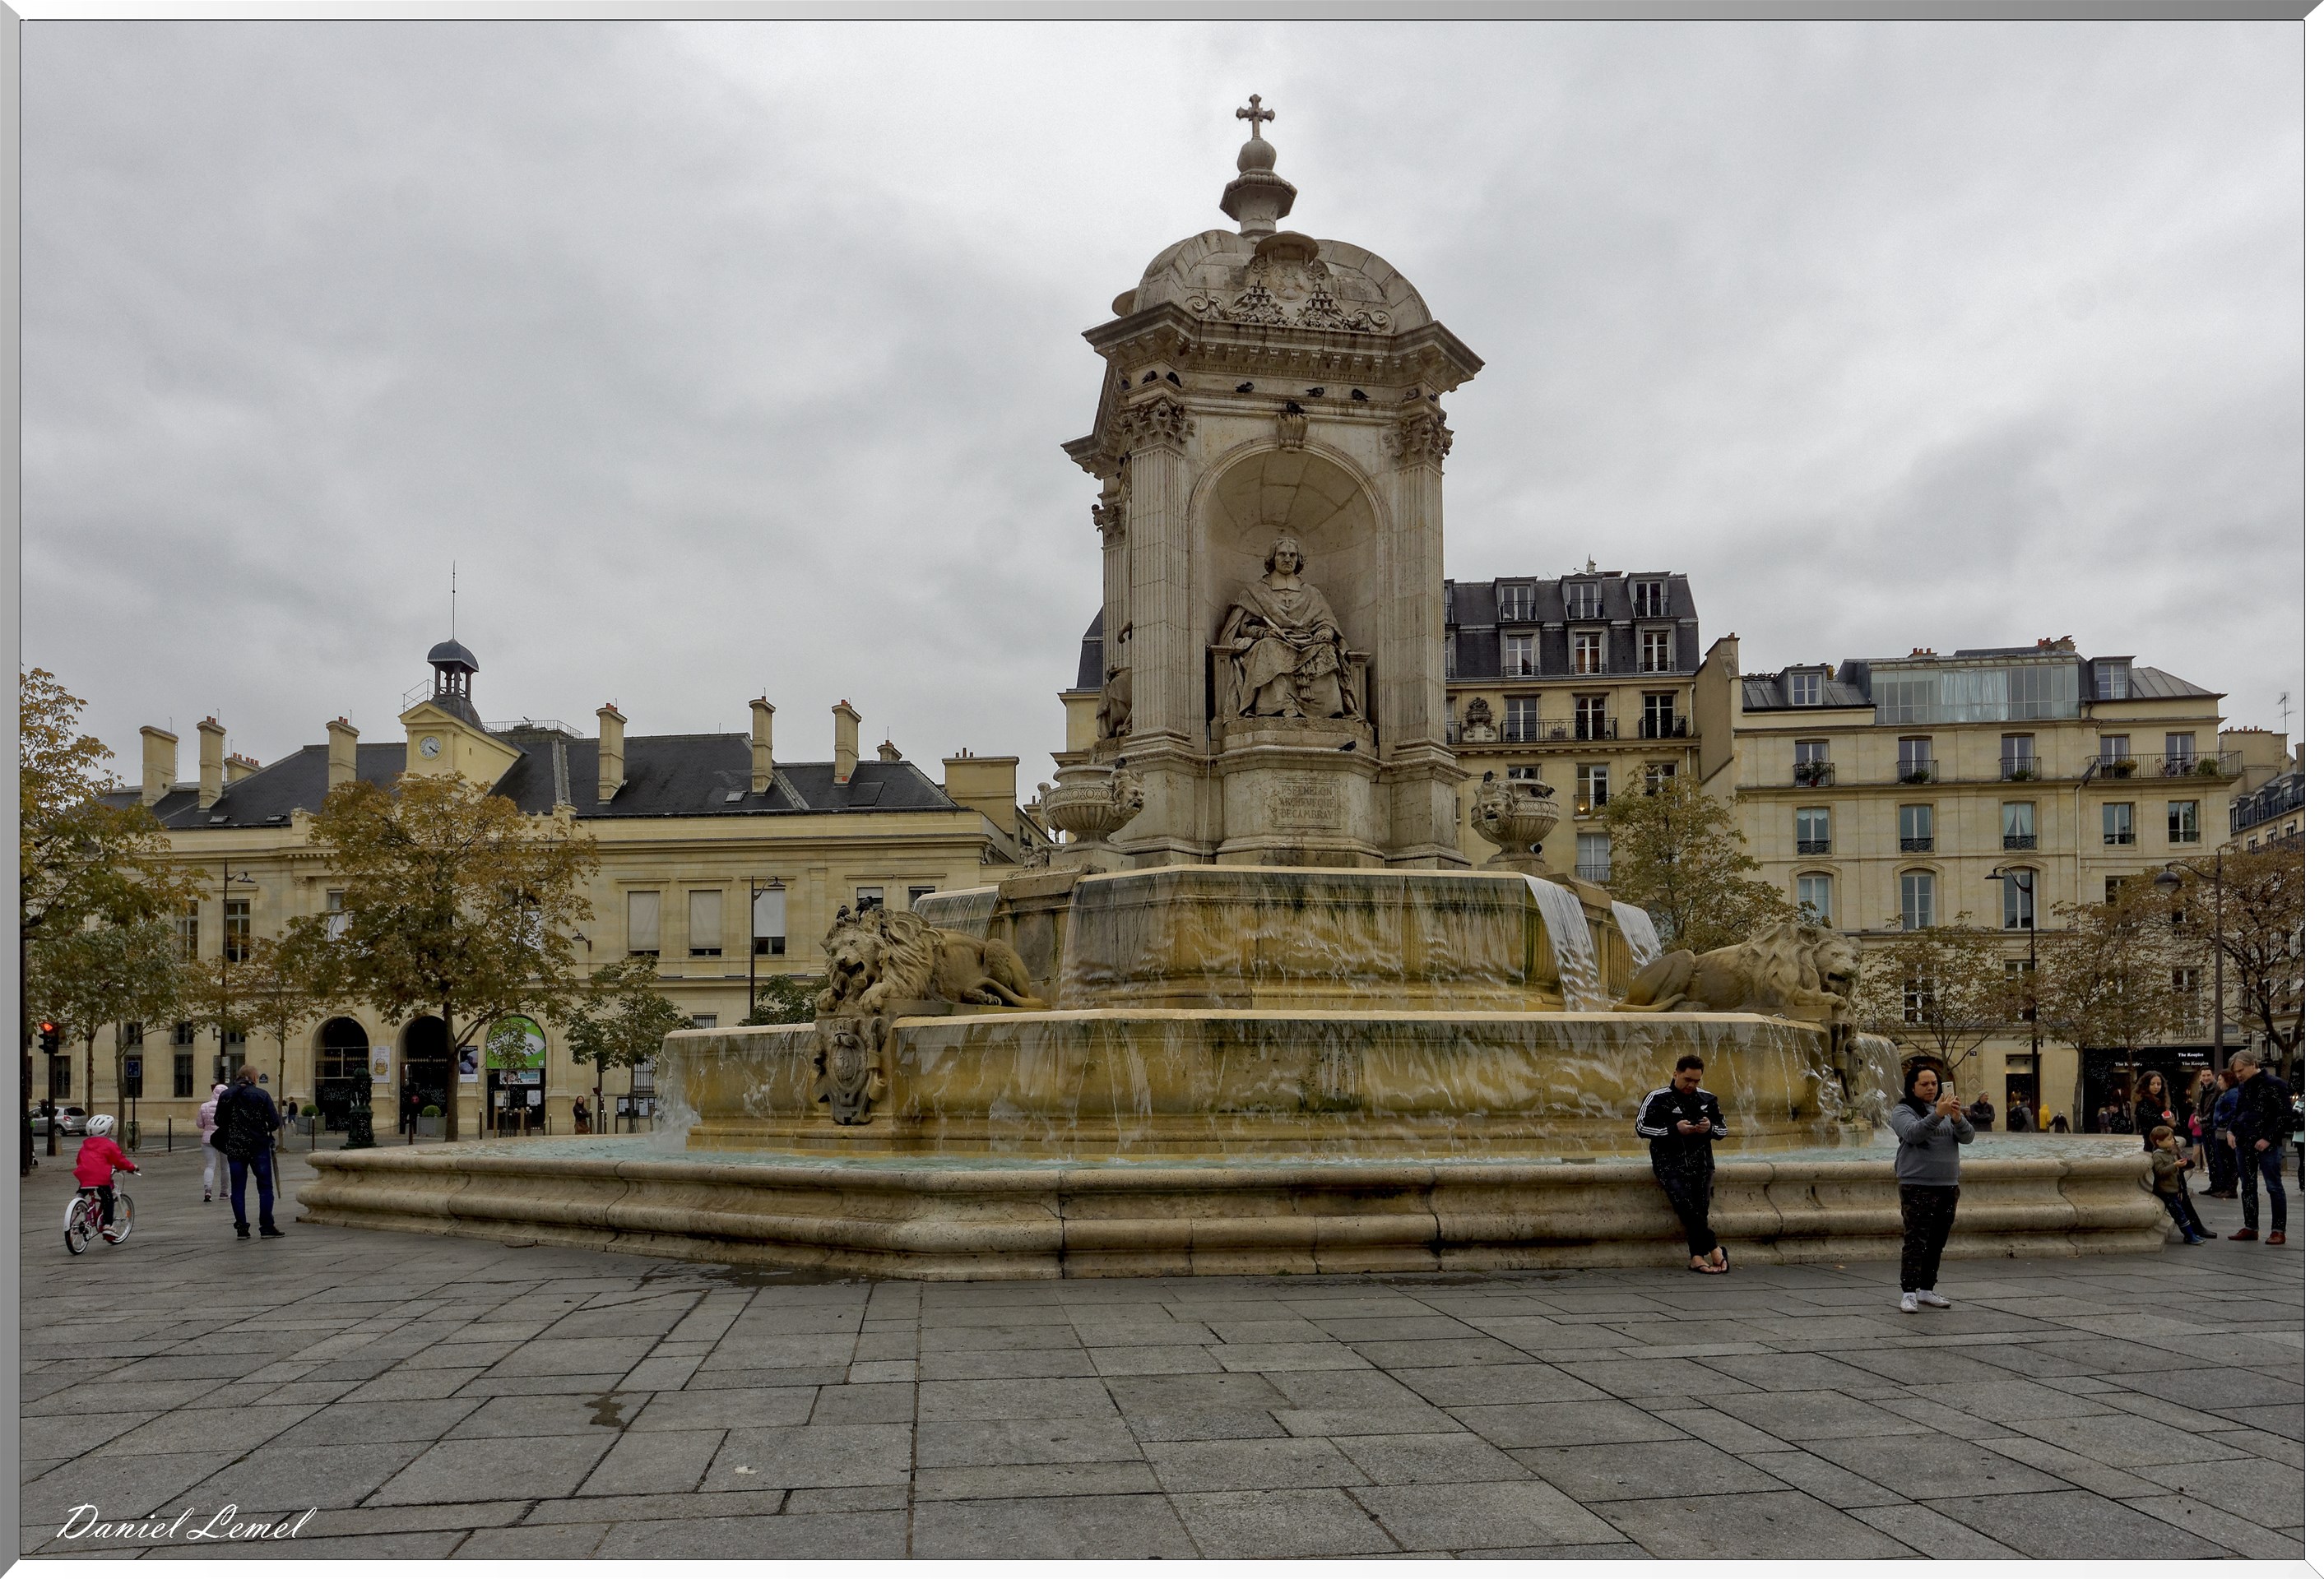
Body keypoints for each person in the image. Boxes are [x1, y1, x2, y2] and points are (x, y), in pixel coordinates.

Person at [1635, 1052, 1729, 1274]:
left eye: (1696, 1081)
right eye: (1687, 1079)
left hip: (1702, 1162)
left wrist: (1710, 1128)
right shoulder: (1657, 1097)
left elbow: (1723, 1130)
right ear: (1675, 1073)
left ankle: (1696, 1257)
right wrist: (1673, 1130)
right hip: (1669, 1163)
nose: (1691, 1085)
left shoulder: (1707, 1099)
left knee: (1700, 1210)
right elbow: (1641, 1128)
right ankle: (1715, 1248)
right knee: (1687, 1207)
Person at [1892, 1063, 1974, 1313]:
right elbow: (1913, 1134)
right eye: (1924, 1084)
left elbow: (1968, 1137)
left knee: (1937, 1240)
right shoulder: (1903, 1110)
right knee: (1916, 1240)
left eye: (1934, 1083)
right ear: (1913, 1087)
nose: (1931, 1088)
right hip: (1917, 1184)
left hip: (1948, 1184)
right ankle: (1909, 1292)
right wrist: (1938, 1114)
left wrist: (1957, 1118)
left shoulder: (1947, 1110)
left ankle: (1927, 1289)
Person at [2222, 1053, 2291, 1244]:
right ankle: (2251, 1227)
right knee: (2247, 1186)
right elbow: (2239, 1112)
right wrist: (2231, 1131)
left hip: (2266, 1144)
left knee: (2273, 1186)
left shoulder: (2275, 1084)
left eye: (2241, 1070)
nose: (2238, 1075)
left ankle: (2278, 1230)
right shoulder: (2243, 1086)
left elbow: (2285, 1115)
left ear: (2253, 1064)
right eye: (2236, 1072)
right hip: (2244, 1142)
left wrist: (2268, 1138)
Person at [216, 1064, 285, 1240]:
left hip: (236, 1147)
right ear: (254, 1078)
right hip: (258, 1146)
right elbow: (275, 1122)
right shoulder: (261, 1095)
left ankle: (241, 1228)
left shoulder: (226, 1095)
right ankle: (266, 1226)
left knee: (238, 1188)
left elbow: (218, 1120)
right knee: (265, 1187)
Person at [73, 1114, 140, 1241]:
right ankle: (107, 1226)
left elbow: (79, 1160)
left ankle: (78, 1200)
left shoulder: (85, 1145)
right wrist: (132, 1167)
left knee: (85, 1187)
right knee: (108, 1199)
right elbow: (120, 1161)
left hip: (84, 1175)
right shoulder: (109, 1145)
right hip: (101, 1178)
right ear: (107, 1131)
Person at [2147, 1126, 2209, 1244]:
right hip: (2166, 1192)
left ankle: (2191, 1235)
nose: (2173, 1141)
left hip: (2173, 1190)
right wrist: (2175, 1165)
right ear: (2159, 1142)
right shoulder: (2158, 1155)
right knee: (2180, 1215)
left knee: (2181, 1214)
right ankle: (2189, 1236)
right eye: (2169, 1139)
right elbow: (2160, 1172)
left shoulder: (2168, 1152)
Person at [2206, 1077, 2243, 1198]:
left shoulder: (2232, 1094)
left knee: (2228, 1161)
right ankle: (2227, 1187)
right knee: (2225, 1160)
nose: (2219, 1082)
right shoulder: (2226, 1093)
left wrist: (2221, 1118)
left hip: (2226, 1130)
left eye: (2221, 1080)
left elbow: (2235, 1110)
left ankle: (2230, 1188)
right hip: (2221, 1129)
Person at [196, 1081, 227, 1202]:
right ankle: (224, 1192)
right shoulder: (229, 1107)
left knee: (210, 1166)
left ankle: (208, 1190)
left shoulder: (204, 1106)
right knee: (225, 1167)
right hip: (224, 1138)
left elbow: (199, 1124)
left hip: (208, 1138)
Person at [2132, 1072, 2177, 1149]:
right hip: (2153, 1144)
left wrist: (2172, 1122)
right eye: (2152, 1084)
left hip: (2165, 1140)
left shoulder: (2162, 1100)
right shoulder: (2142, 1102)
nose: (2156, 1087)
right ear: (2146, 1085)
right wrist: (2166, 1121)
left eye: (2159, 1084)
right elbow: (2148, 1124)